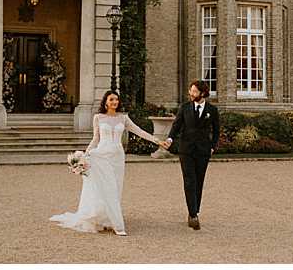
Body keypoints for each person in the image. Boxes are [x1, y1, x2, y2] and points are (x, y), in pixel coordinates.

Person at [50, 90, 170, 236]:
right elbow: (96, 139)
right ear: (105, 102)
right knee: (104, 187)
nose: (115, 102)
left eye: (116, 100)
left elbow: (139, 131)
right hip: (101, 155)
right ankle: (112, 222)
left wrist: (158, 141)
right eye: (111, 99)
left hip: (117, 157)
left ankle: (108, 218)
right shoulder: (98, 118)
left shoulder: (123, 118)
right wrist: (84, 156)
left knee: (115, 187)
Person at [166, 80, 220, 230]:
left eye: (194, 91)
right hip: (186, 150)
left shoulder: (212, 110)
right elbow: (176, 125)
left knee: (199, 181)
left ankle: (195, 209)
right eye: (191, 91)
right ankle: (193, 215)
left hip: (203, 151)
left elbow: (216, 131)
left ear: (202, 93)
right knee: (189, 180)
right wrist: (170, 139)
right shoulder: (184, 108)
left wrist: (213, 147)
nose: (191, 94)